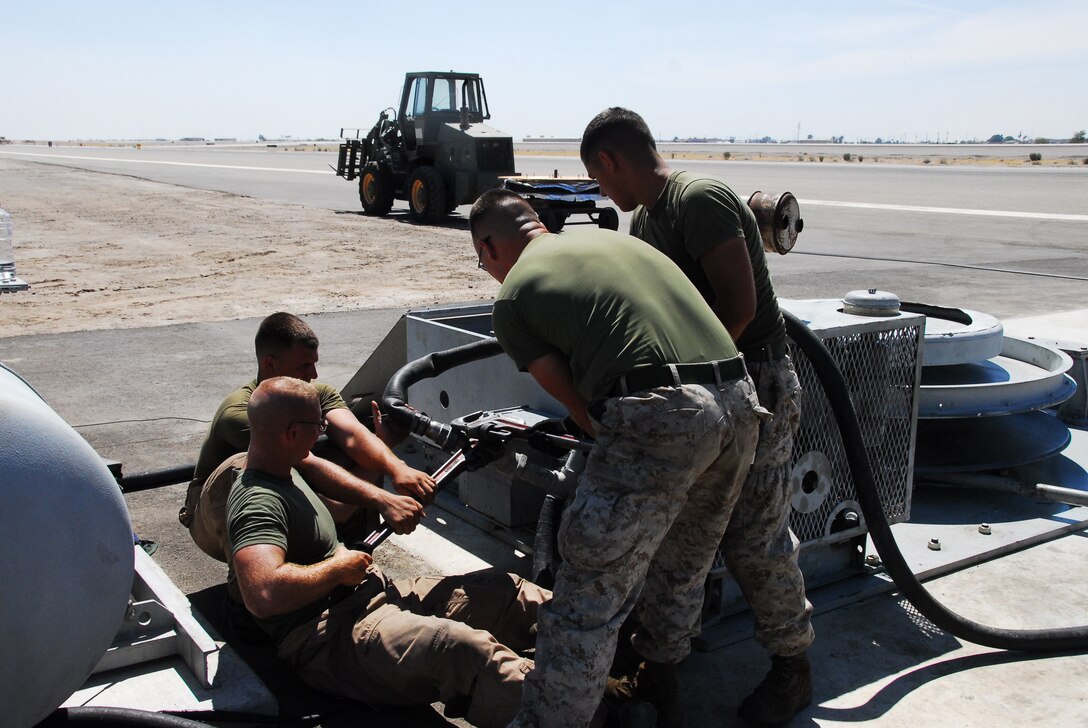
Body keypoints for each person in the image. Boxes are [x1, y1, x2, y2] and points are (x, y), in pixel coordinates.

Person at [469, 188, 765, 728]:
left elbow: (581, 408)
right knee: (684, 564)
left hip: (664, 411)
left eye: (481, 258)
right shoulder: (616, 243)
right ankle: (660, 682)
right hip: (740, 401)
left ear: (489, 246)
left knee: (588, 596)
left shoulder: (513, 297)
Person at [581, 107, 815, 726]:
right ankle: (662, 672)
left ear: (611, 161)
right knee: (681, 539)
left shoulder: (699, 199)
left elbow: (737, 308)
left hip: (752, 384)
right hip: (704, 391)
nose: (603, 193)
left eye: (599, 179)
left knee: (754, 538)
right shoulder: (649, 221)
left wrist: (692, 381)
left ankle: (793, 666)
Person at [228, 376, 549, 727]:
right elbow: (262, 593)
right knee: (462, 650)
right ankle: (577, 712)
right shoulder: (257, 503)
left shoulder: (287, 462)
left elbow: (333, 486)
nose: (322, 430)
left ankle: (604, 642)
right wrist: (336, 569)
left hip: (371, 596)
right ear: (291, 432)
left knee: (508, 591)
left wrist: (384, 496)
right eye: (317, 424)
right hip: (327, 637)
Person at [180, 311, 434, 565]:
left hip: (288, 479)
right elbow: (308, 462)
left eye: (314, 363)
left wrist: (397, 468)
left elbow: (353, 436)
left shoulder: (315, 392)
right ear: (270, 364)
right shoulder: (241, 413)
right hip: (212, 512)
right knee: (242, 465)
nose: (313, 374)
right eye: (303, 366)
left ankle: (346, 555)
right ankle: (259, 580)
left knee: (355, 453)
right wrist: (382, 497)